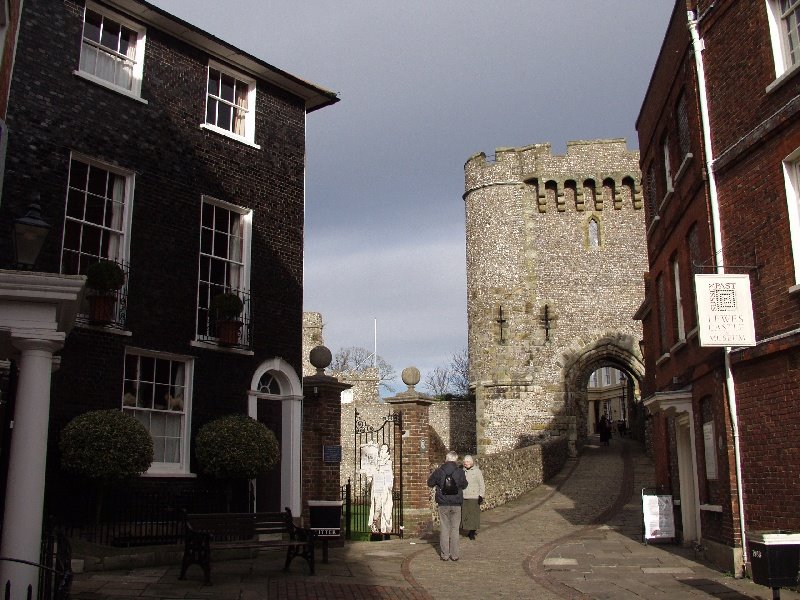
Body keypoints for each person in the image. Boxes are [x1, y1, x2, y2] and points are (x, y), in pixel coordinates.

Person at [427, 450, 468, 561]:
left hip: (443, 502)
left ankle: (445, 555)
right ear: (455, 459)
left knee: (444, 529)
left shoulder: (439, 471)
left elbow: (430, 483)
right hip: (456, 503)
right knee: (455, 529)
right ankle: (454, 555)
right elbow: (465, 485)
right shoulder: (460, 472)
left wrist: (438, 483)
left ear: (446, 459)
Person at [461, 455, 485, 540]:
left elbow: (481, 484)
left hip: (474, 496)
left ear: (471, 462)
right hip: (464, 495)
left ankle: (472, 532)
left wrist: (481, 495)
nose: (465, 463)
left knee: (473, 515)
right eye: (464, 462)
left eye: (467, 462)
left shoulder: (477, 471)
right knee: (465, 514)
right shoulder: (462, 471)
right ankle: (468, 528)